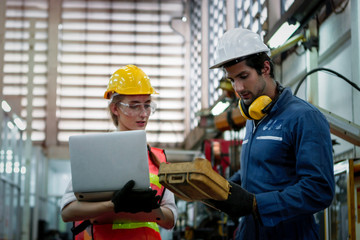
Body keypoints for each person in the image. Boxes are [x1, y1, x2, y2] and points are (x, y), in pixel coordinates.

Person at [207, 28, 335, 239]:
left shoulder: (304, 117)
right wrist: (224, 188)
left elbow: (319, 190)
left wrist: (256, 204)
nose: (238, 88)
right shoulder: (253, 119)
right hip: (250, 232)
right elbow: (261, 170)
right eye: (231, 80)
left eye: (243, 76)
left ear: (265, 68)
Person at [61, 65, 177, 240]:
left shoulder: (159, 160)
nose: (144, 114)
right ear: (115, 108)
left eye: (147, 105)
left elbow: (170, 220)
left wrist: (153, 210)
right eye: (134, 106)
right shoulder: (96, 154)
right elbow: (67, 211)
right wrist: (113, 205)